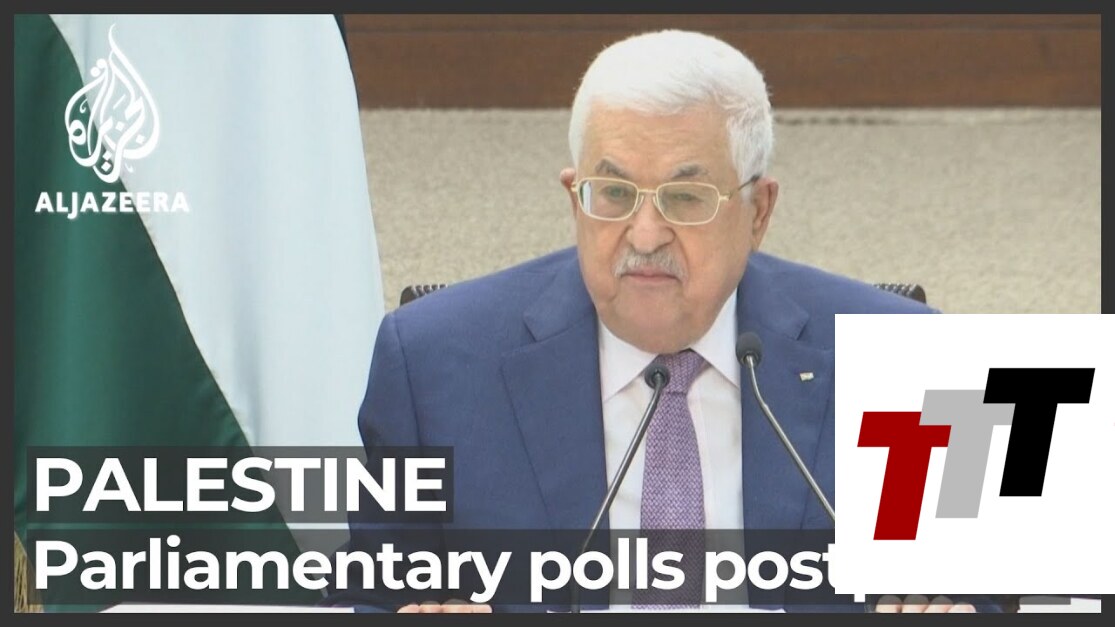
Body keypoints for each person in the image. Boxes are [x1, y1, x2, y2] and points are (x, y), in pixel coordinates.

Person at [331, 29, 990, 613]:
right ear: (574, 197)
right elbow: (367, 594)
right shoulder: (431, 363)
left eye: (685, 197)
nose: (644, 235)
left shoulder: (908, 357)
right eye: (615, 193)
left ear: (758, 212)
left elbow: (989, 589)